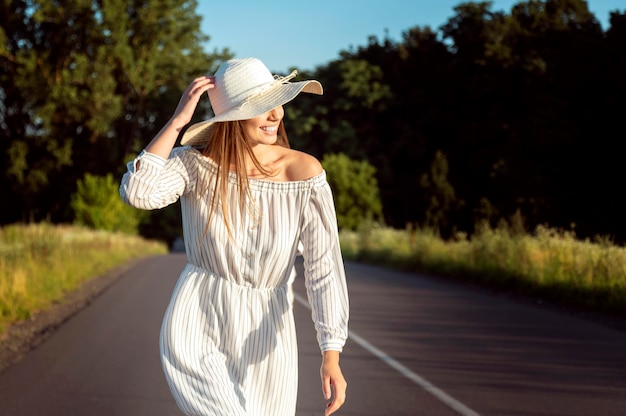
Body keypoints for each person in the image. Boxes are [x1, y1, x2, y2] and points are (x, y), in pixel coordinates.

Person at [120, 57, 349, 416]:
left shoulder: (304, 173)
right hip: (198, 323)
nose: (275, 115)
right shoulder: (194, 164)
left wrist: (330, 353)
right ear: (231, 118)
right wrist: (179, 121)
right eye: (260, 107)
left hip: (269, 334)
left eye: (277, 103)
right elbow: (138, 192)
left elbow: (324, 269)